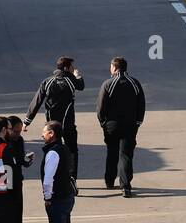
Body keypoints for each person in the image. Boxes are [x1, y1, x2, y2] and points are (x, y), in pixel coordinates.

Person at [25, 56, 85, 185]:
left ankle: (53, 177)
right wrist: (77, 75)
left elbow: (37, 101)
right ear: (67, 68)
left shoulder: (48, 81)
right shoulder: (71, 81)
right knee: (72, 151)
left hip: (52, 127)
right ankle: (71, 179)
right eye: (71, 67)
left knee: (52, 151)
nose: (73, 69)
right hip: (68, 124)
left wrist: (27, 121)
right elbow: (81, 86)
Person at [96, 56, 145, 196]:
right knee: (126, 155)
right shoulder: (134, 83)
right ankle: (126, 186)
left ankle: (109, 180)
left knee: (112, 152)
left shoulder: (108, 83)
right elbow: (141, 103)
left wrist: (103, 122)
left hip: (112, 125)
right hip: (130, 124)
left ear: (115, 68)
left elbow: (101, 106)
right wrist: (138, 122)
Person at [37, 121, 75, 223]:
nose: (42, 135)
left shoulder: (53, 153)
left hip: (57, 199)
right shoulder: (65, 149)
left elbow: (48, 179)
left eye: (44, 132)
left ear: (52, 134)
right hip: (67, 197)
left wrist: (47, 197)